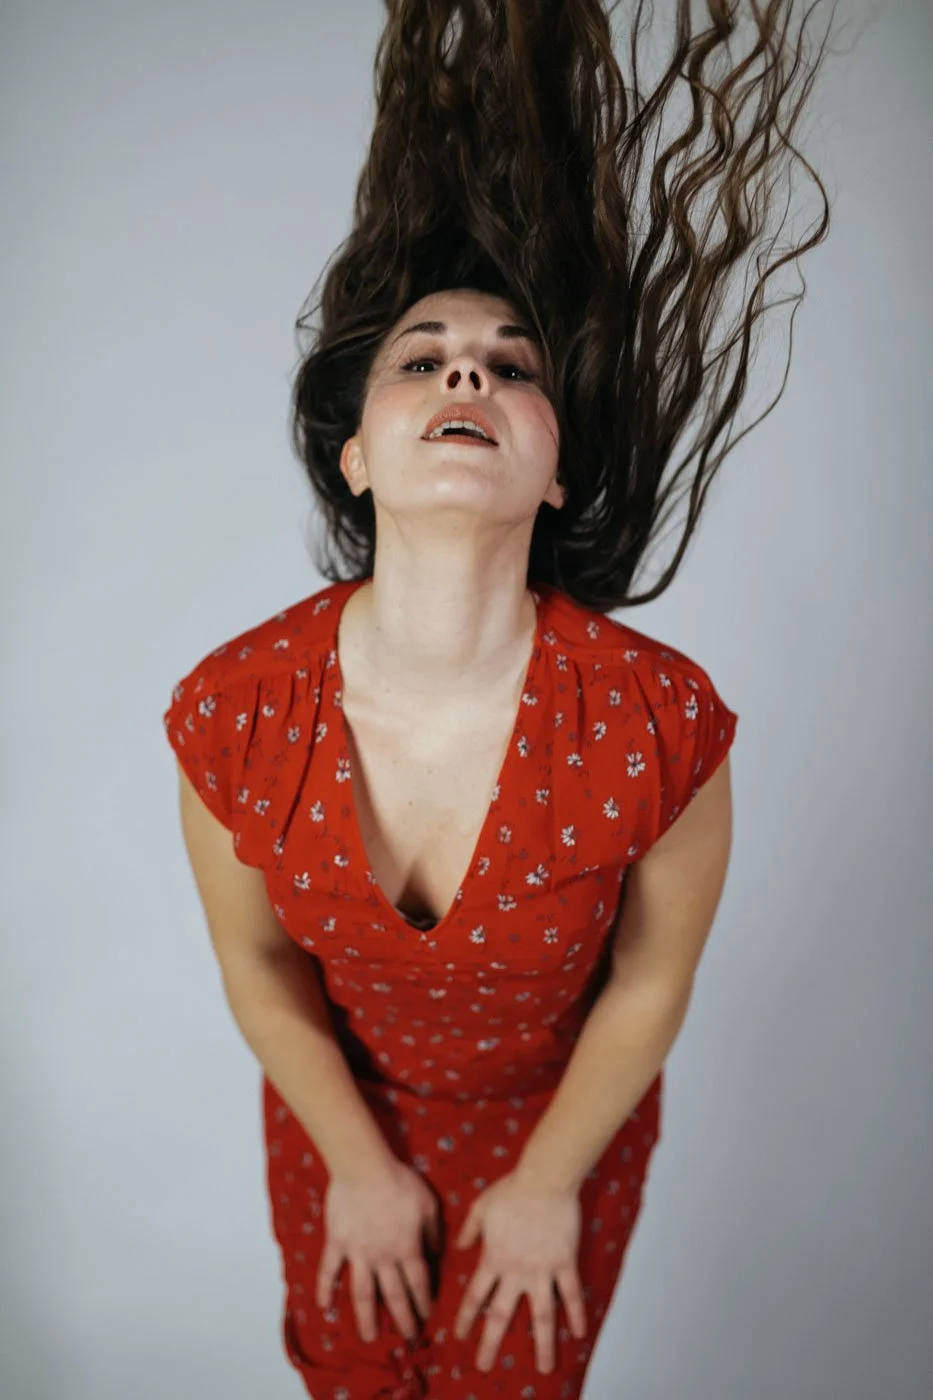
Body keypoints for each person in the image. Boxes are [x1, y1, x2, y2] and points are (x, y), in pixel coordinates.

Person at [163, 2, 833, 1396]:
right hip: (337, 1121)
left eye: (511, 366)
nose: (466, 368)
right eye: (421, 358)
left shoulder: (661, 721)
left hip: (564, 1134)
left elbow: (650, 980)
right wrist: (358, 1167)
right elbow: (258, 966)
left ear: (557, 469)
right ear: (354, 459)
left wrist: (546, 1187)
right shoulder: (232, 712)